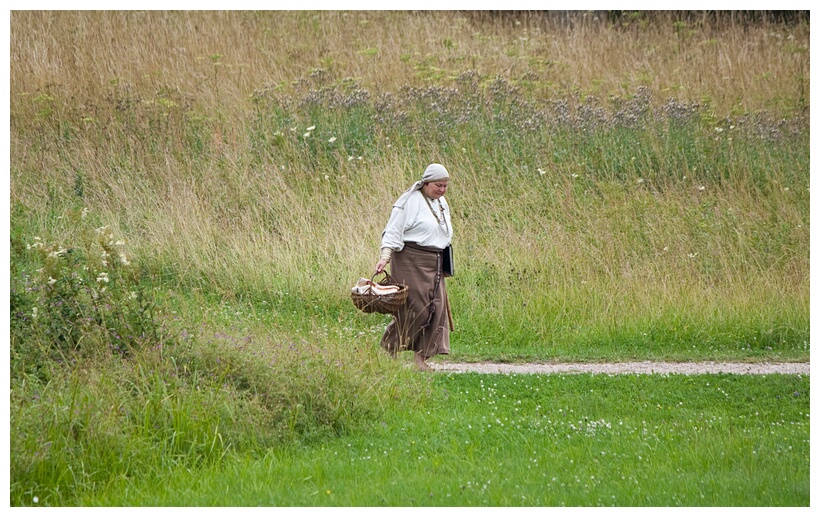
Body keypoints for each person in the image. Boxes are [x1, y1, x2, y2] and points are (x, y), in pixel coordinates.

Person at [375, 163, 453, 371]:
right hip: (410, 259)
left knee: (436, 309)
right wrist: (385, 257)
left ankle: (421, 359)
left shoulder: (441, 202)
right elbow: (392, 231)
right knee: (416, 309)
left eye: (445, 186)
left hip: (435, 260)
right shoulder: (408, 202)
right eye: (438, 185)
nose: (442, 190)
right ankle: (388, 347)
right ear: (426, 183)